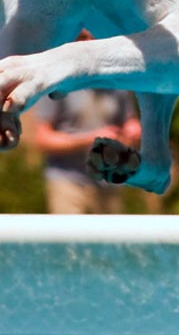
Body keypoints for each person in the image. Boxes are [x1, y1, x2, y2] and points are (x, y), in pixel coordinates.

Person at [28, 31, 141, 214]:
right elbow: (42, 138)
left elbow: (130, 121)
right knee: (70, 242)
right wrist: (90, 139)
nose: (89, 42)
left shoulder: (116, 81)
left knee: (110, 242)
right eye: (82, 38)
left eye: (94, 36)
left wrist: (133, 129)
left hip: (109, 182)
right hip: (68, 183)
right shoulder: (57, 82)